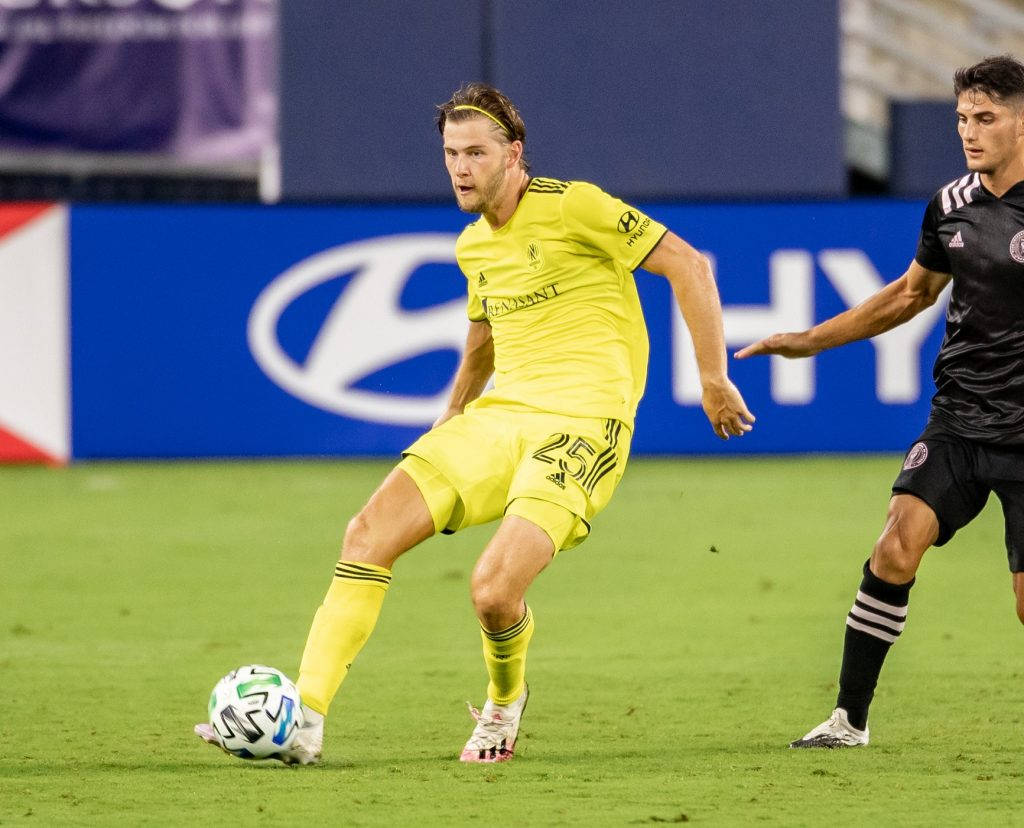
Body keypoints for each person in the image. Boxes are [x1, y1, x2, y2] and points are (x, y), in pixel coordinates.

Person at [197, 82, 753, 764]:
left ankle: (503, 702)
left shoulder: (576, 205)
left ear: (513, 153)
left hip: (582, 423)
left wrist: (713, 376)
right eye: (450, 154)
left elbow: (689, 265)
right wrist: (453, 415)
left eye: (476, 153)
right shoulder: (473, 246)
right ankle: (305, 720)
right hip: (499, 419)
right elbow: (486, 336)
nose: (461, 168)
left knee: (493, 593)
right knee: (367, 533)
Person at [736, 54, 1024, 748]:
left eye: (985, 118)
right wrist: (811, 340)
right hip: (958, 419)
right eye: (962, 118)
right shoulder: (950, 204)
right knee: (895, 545)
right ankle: (848, 720)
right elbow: (908, 294)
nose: (969, 131)